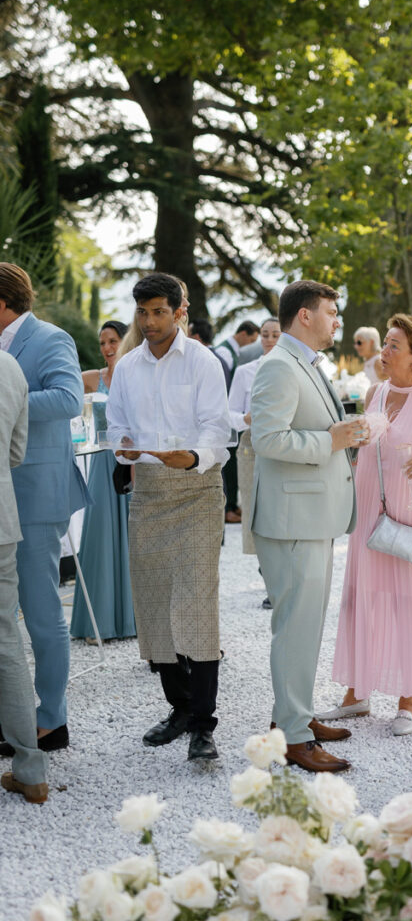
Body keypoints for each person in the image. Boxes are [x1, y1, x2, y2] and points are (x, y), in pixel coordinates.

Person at [106, 272, 231, 762]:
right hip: (150, 491)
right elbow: (116, 427)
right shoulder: (128, 367)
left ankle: (204, 724)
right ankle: (178, 708)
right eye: (143, 312)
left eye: (159, 311)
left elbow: (217, 431)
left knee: (197, 604)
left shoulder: (203, 362)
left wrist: (193, 457)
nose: (150, 321)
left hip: (198, 488)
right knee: (156, 605)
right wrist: (125, 449)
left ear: (180, 311)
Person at [320, 314, 412, 736]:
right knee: (361, 595)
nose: (384, 351)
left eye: (394, 345)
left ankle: (408, 698)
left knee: (410, 601)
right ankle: (356, 693)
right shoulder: (374, 393)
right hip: (370, 512)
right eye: (384, 342)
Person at [250, 280, 369, 772]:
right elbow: (267, 439)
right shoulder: (278, 366)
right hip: (292, 520)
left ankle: (293, 716)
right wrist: (330, 440)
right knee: (295, 629)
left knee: (305, 626)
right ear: (304, 315)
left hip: (311, 515)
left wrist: (344, 438)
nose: (337, 321)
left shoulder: (304, 363)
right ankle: (295, 738)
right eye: (331, 312)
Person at [0, 263, 89, 755]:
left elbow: (68, 399)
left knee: (40, 612)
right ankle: (13, 716)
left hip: (36, 493)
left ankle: (51, 719)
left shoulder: (50, 338)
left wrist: (5, 399)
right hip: (2, 494)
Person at [0, 350, 48, 804]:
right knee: (7, 641)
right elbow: (16, 451)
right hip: (1, 522)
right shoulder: (11, 366)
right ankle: (30, 770)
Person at [70, 321, 136, 642]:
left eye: (113, 341)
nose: (108, 348)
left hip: (133, 461)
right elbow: (62, 390)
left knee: (133, 536)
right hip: (100, 461)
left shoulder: (138, 374)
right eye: (103, 343)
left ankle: (135, 621)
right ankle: (100, 622)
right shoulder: (92, 378)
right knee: (99, 535)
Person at [228, 317, 281, 563]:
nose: (269, 340)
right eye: (265, 334)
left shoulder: (293, 370)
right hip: (250, 444)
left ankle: (279, 564)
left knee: (279, 507)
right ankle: (264, 565)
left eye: (275, 335)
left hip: (283, 444)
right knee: (253, 506)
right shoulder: (244, 372)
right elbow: (228, 414)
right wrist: (245, 419)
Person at [216, 320, 261, 523]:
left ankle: (233, 506)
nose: (252, 344)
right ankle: (230, 507)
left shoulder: (235, 353)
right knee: (231, 465)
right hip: (228, 415)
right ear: (243, 334)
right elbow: (224, 387)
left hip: (236, 416)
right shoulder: (225, 353)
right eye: (252, 339)